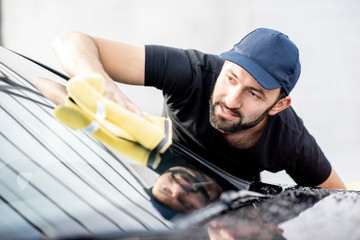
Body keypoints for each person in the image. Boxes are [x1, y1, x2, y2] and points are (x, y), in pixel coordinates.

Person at [50, 28, 346, 189]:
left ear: (279, 105)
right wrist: (104, 85)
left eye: (254, 93)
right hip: (151, 189)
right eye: (231, 77)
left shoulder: (290, 140)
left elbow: (341, 204)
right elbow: (71, 41)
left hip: (223, 216)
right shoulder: (194, 73)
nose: (231, 100)